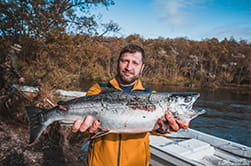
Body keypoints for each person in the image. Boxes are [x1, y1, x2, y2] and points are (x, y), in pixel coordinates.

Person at [72, 44, 181, 166]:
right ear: (118, 62)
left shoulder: (152, 96)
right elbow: (86, 125)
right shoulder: (98, 90)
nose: (129, 67)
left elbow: (156, 129)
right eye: (125, 61)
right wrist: (85, 126)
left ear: (142, 67)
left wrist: (164, 128)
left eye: (135, 63)